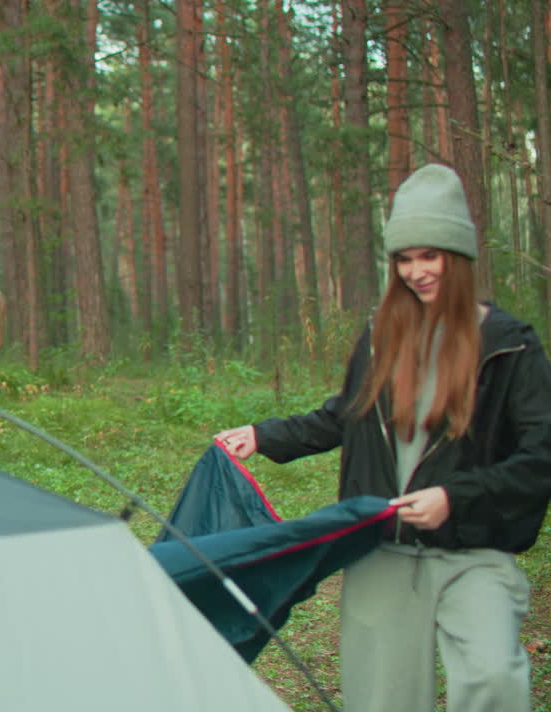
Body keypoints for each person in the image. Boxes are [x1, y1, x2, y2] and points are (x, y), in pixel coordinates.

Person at [214, 164, 551, 712]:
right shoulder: (381, 338)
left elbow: (541, 455)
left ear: (459, 256)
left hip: (475, 550)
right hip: (383, 549)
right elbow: (344, 416)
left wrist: (454, 498)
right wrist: (262, 434)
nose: (417, 271)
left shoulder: (509, 346)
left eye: (430, 255)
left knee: (494, 680)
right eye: (404, 258)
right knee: (381, 701)